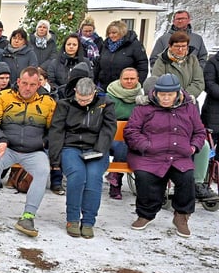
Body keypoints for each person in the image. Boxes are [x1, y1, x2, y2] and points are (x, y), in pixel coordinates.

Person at [0, 67, 57, 237]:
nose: (28, 88)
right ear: (19, 82)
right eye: (25, 83)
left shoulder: (48, 102)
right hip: (8, 147)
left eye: (32, 85)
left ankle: (28, 216)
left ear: (39, 84)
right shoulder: (3, 97)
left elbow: (55, 129)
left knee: (43, 170)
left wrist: (43, 142)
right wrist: (1, 140)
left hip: (34, 150)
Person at [125, 74, 208, 237]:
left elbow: (199, 131)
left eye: (169, 95)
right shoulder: (144, 108)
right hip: (149, 155)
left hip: (179, 155)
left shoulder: (189, 107)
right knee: (145, 177)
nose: (165, 98)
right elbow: (131, 131)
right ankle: (145, 214)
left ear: (177, 94)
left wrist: (193, 147)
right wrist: (145, 145)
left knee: (186, 178)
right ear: (155, 93)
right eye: (162, 95)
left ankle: (181, 216)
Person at [47, 78, 117, 238]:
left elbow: (109, 129)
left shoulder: (106, 104)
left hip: (96, 147)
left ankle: (88, 220)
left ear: (94, 93)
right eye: (80, 99)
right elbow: (57, 131)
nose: (83, 102)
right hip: (71, 147)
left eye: (87, 99)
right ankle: (72, 219)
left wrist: (99, 149)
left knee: (93, 178)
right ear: (75, 92)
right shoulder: (65, 104)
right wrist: (55, 159)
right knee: (77, 176)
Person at [151, 31, 215, 202]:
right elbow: (156, 81)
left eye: (184, 47)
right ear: (170, 46)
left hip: (188, 105)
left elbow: (199, 82)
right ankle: (161, 181)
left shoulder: (192, 60)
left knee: (204, 146)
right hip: (165, 106)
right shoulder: (161, 61)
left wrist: (185, 96)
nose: (181, 50)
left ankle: (198, 183)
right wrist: (171, 96)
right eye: (177, 46)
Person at [104, 67, 143, 200]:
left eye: (132, 79)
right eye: (126, 78)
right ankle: (116, 180)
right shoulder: (110, 96)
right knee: (124, 140)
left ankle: (115, 176)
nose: (129, 81)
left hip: (133, 135)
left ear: (138, 79)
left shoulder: (142, 97)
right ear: (120, 79)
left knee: (129, 139)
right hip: (111, 135)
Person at [95, 20, 148, 88]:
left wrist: (137, 84)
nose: (111, 35)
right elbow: (99, 64)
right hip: (105, 87)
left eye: (114, 33)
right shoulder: (105, 45)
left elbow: (142, 66)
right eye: (109, 33)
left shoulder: (134, 45)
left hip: (125, 88)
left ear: (122, 32)